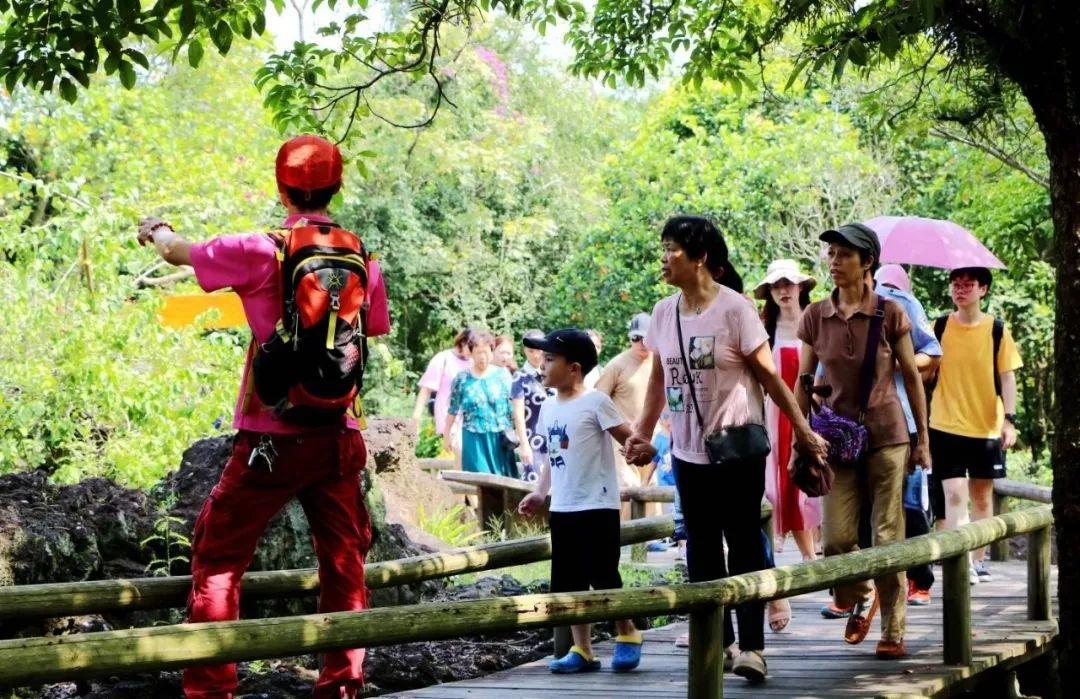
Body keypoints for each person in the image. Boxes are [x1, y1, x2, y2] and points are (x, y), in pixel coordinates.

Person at [135, 134, 389, 699]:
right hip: (338, 436)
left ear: (281, 188)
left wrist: (157, 231)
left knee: (220, 559)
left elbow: (180, 253)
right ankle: (342, 685)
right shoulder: (361, 254)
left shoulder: (259, 248)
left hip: (270, 438)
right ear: (337, 186)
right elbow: (370, 330)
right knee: (344, 563)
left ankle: (210, 689)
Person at [624, 215, 828, 683]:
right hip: (688, 452)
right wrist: (642, 433)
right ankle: (720, 640)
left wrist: (801, 431)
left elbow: (769, 378)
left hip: (737, 449)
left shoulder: (736, 310)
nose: (664, 256)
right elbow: (659, 379)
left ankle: (753, 648)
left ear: (701, 258)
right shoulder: (662, 312)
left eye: (672, 248)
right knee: (699, 549)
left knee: (743, 543)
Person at [794, 223, 931, 661]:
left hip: (887, 435)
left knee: (887, 535)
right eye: (831, 254)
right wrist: (801, 437)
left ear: (867, 262)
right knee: (835, 540)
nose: (834, 262)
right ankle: (863, 589)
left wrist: (922, 439)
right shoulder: (815, 315)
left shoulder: (890, 312)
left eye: (844, 255)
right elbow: (802, 379)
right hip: (835, 439)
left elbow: (912, 376)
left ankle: (893, 628)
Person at [517, 328, 651, 674]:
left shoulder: (596, 402)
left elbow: (628, 438)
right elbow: (549, 457)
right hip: (563, 507)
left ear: (574, 367)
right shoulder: (548, 408)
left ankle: (627, 633)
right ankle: (583, 649)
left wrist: (641, 450)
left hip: (598, 504)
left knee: (604, 575)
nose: (542, 366)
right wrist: (540, 491)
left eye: (549, 360)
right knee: (569, 581)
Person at [929, 267, 1022, 584]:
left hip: (985, 427)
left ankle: (977, 560)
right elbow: (924, 365)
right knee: (954, 494)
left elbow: (1008, 378)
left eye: (968, 285)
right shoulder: (939, 326)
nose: (960, 290)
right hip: (944, 423)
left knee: (982, 497)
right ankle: (960, 563)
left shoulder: (996, 329)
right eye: (955, 284)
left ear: (983, 290)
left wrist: (1009, 420)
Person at [754, 258, 820, 634]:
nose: (783, 290)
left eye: (788, 284)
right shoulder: (766, 328)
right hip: (776, 417)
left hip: (812, 412)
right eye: (776, 285)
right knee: (781, 486)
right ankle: (807, 556)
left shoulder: (814, 321)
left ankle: (813, 557)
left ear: (800, 287)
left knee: (810, 484)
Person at [874, 264, 941, 605]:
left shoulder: (906, 306)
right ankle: (866, 584)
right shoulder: (842, 306)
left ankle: (920, 579)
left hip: (904, 419)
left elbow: (932, 354)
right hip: (862, 426)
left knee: (910, 506)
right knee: (867, 511)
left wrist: (898, 362)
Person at [595, 313, 657, 518]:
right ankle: (624, 537)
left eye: (646, 338)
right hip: (621, 439)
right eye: (635, 338)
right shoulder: (617, 364)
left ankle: (648, 540)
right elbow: (597, 400)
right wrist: (617, 425)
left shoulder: (660, 361)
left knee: (650, 486)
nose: (641, 343)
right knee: (626, 486)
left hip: (652, 436)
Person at [445, 331, 530, 477]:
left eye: (486, 352)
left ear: (492, 352)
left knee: (503, 483)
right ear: (471, 353)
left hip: (500, 438)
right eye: (478, 353)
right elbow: (453, 409)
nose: (482, 357)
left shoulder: (503, 376)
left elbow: (516, 410)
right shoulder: (462, 379)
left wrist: (523, 441)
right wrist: (447, 434)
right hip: (474, 437)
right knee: (480, 479)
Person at [413, 329, 474, 467]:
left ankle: (460, 482)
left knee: (466, 453)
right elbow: (426, 389)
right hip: (448, 414)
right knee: (459, 447)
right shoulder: (443, 358)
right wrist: (416, 417)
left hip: (469, 415)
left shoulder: (473, 361)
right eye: (470, 347)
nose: (471, 351)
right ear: (462, 342)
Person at [512, 329, 552, 480]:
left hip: (554, 440)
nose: (536, 355)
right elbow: (518, 414)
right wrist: (524, 445)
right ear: (525, 351)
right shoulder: (520, 377)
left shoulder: (553, 372)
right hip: (532, 441)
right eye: (531, 351)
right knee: (534, 485)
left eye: (539, 350)